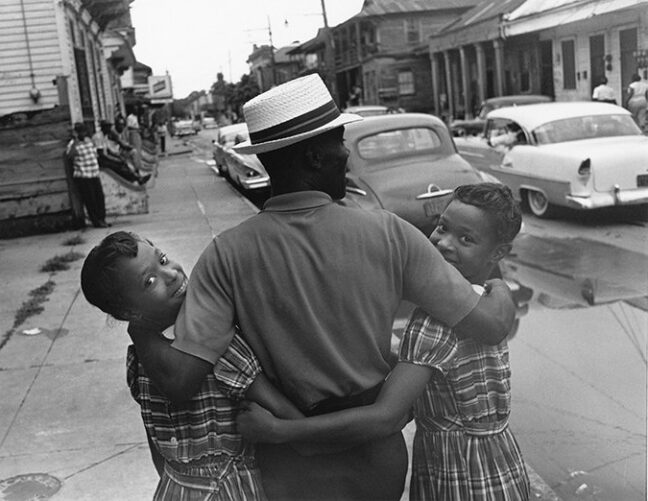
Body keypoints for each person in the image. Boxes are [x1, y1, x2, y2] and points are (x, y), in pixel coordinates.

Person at [129, 74, 516, 500]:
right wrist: (500, 292)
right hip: (374, 449)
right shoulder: (388, 233)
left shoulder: (225, 255)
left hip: (289, 458)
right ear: (314, 156)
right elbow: (488, 326)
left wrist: (139, 328)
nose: (346, 155)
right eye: (338, 142)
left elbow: (183, 379)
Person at [236, 183, 531, 500]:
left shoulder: (434, 321)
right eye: (442, 228)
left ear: (499, 252)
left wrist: (282, 431)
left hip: (460, 477)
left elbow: (387, 416)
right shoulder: (486, 301)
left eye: (466, 239)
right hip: (502, 468)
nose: (444, 243)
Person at [80, 231, 305, 500]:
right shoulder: (193, 352)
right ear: (129, 313)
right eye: (150, 281)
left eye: (162, 260)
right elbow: (157, 445)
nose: (172, 273)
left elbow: (159, 453)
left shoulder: (164, 356)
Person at [66, 122, 108, 228]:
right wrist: (75, 140)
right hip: (83, 176)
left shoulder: (89, 141)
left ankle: (102, 218)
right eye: (79, 132)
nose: (82, 134)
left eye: (83, 131)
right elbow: (70, 156)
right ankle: (96, 221)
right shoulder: (72, 144)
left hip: (94, 173)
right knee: (90, 200)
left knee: (99, 197)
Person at [94, 119, 150, 185]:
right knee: (118, 165)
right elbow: (102, 154)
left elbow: (108, 151)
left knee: (123, 162)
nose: (110, 128)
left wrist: (118, 157)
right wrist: (115, 160)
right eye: (108, 127)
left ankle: (136, 177)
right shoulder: (98, 137)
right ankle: (136, 178)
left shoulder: (105, 135)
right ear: (104, 127)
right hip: (100, 160)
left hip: (106, 157)